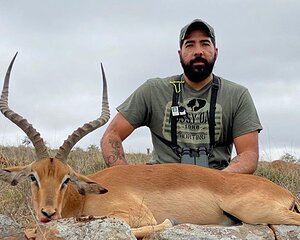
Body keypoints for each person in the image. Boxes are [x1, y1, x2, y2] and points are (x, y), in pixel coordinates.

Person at [100, 19, 263, 174]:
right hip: (160, 185)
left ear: (216, 52)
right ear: (180, 54)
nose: (198, 51)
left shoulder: (238, 95)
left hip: (217, 184)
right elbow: (111, 136)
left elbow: (248, 155)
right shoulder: (153, 90)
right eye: (190, 45)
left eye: (205, 43)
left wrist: (219, 181)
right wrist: (125, 177)